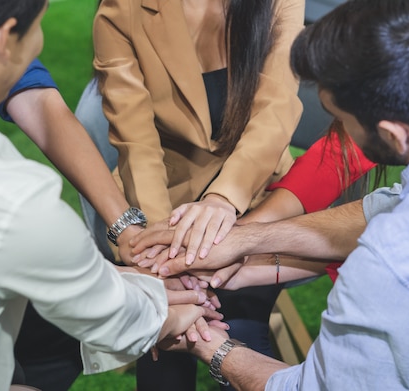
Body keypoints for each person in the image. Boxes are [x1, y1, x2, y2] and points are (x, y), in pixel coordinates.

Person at [148, 0, 409, 389]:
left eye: (341, 119)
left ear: (392, 134)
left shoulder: (394, 265)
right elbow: (397, 201)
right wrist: (248, 239)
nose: (338, 135)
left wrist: (211, 347)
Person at [0, 0, 221, 390]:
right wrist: (176, 311)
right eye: (38, 28)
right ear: (3, 40)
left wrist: (126, 270)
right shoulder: (14, 199)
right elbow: (121, 322)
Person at [90, 0, 306, 388]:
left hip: (254, 198)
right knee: (167, 338)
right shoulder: (123, 8)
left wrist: (224, 199)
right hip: (160, 202)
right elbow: (136, 140)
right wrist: (162, 249)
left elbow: (276, 110)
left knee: (242, 328)